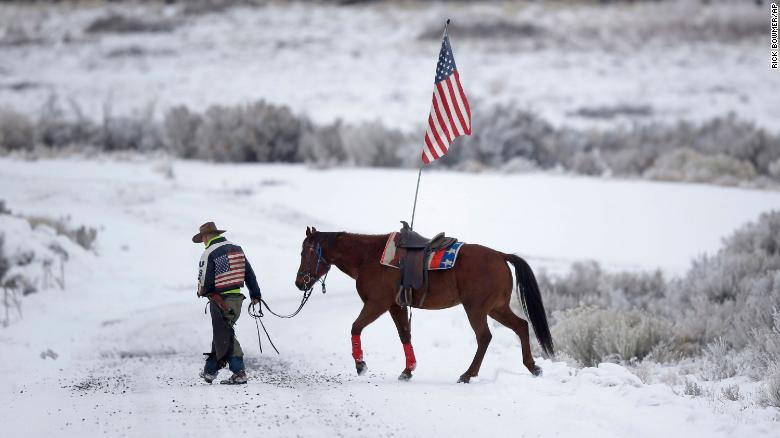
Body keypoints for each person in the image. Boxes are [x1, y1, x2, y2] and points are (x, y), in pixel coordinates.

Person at [193, 221, 261, 385]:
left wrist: (202, 291)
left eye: (203, 238)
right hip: (237, 299)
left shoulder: (209, 253)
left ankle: (239, 372)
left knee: (226, 335)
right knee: (222, 333)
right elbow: (249, 273)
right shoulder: (237, 249)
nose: (203, 241)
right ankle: (210, 371)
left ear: (207, 236)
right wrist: (255, 294)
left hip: (220, 300)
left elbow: (206, 281)